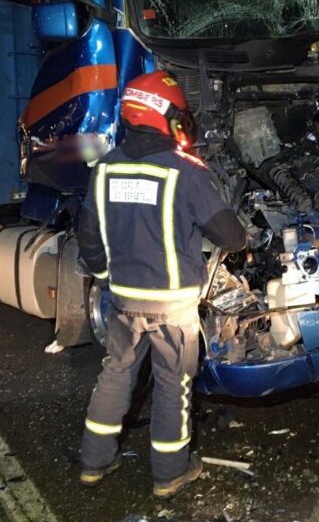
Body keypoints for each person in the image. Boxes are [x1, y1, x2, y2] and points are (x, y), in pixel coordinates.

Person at [76, 71, 247, 498]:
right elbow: (232, 236)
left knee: (116, 374)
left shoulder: (105, 168)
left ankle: (94, 462)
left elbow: (89, 237)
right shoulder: (186, 171)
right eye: (178, 115)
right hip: (173, 307)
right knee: (174, 384)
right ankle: (169, 473)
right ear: (161, 115)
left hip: (124, 299)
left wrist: (104, 278)